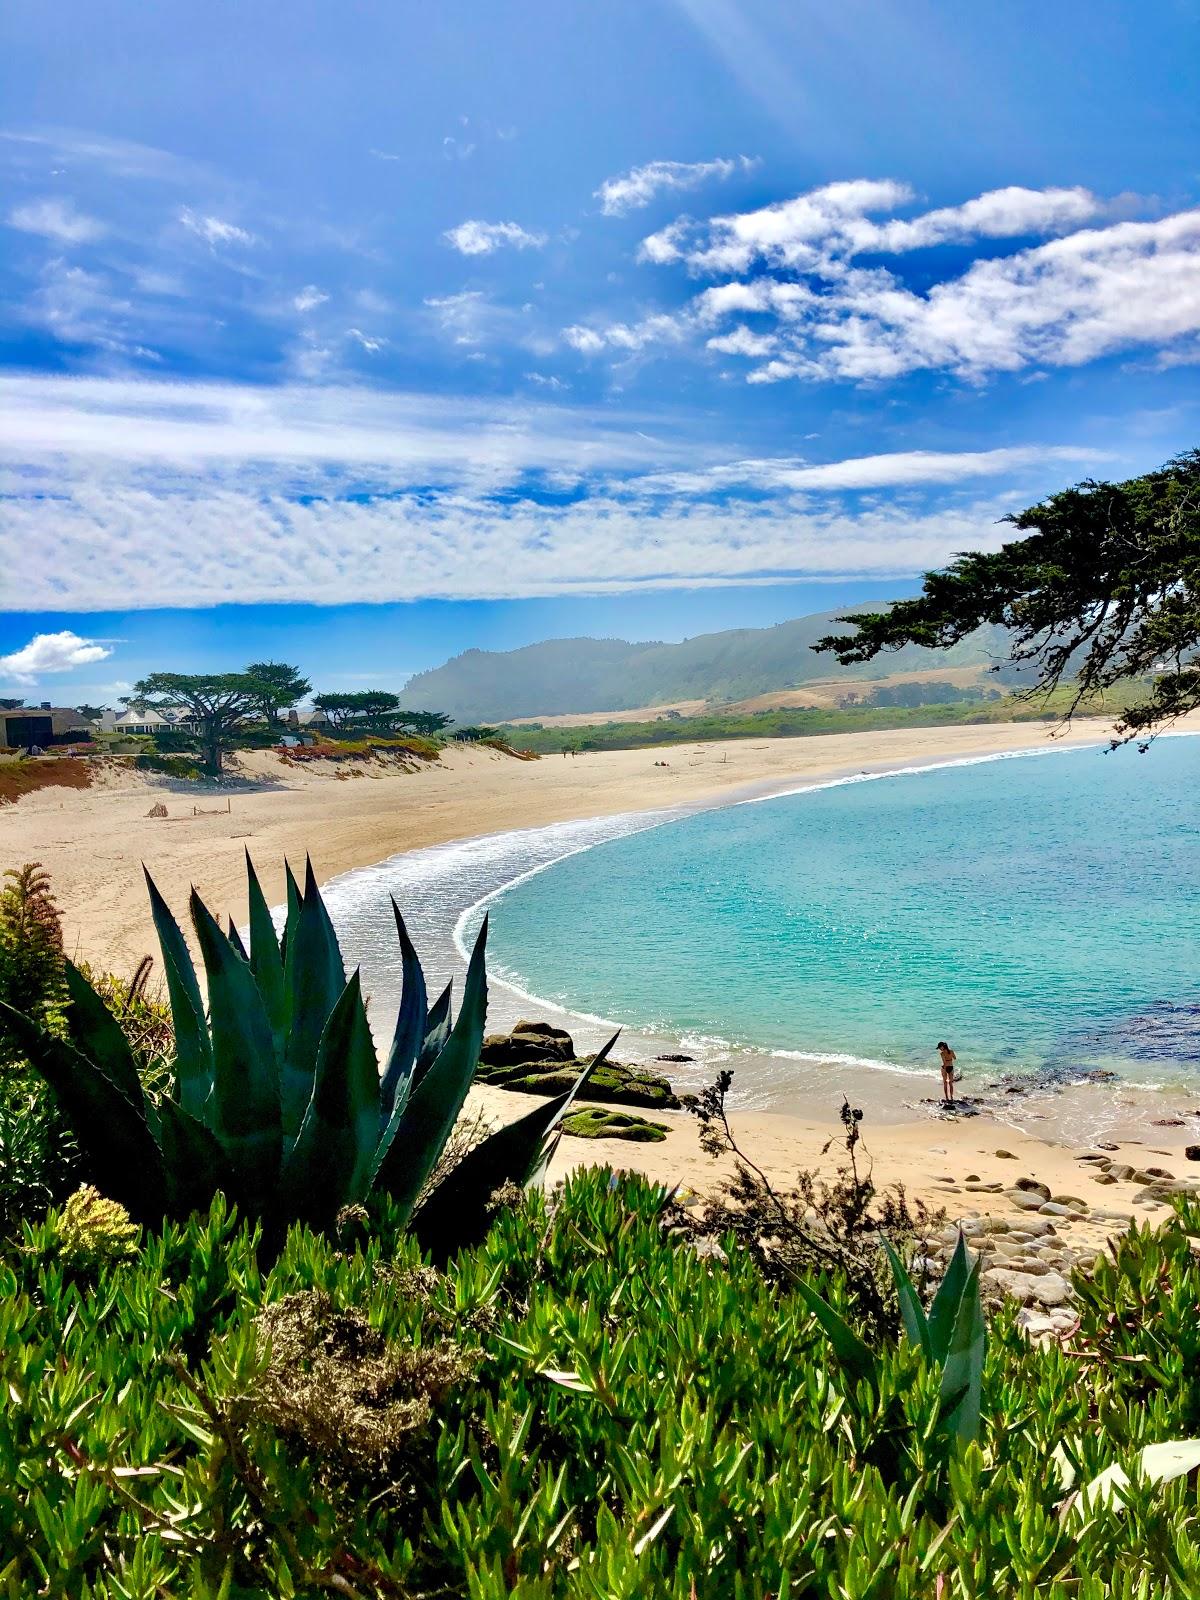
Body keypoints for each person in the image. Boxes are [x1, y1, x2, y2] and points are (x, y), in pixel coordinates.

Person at [937, 1041, 958, 1105]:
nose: (939, 1049)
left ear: (942, 1047)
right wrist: (950, 1058)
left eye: (940, 1047)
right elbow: (955, 1058)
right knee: (950, 1083)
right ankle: (951, 1097)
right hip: (951, 1067)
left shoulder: (942, 1053)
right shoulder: (951, 1051)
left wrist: (944, 1067)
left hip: (945, 1068)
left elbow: (944, 1063)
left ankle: (946, 1098)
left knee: (945, 1083)